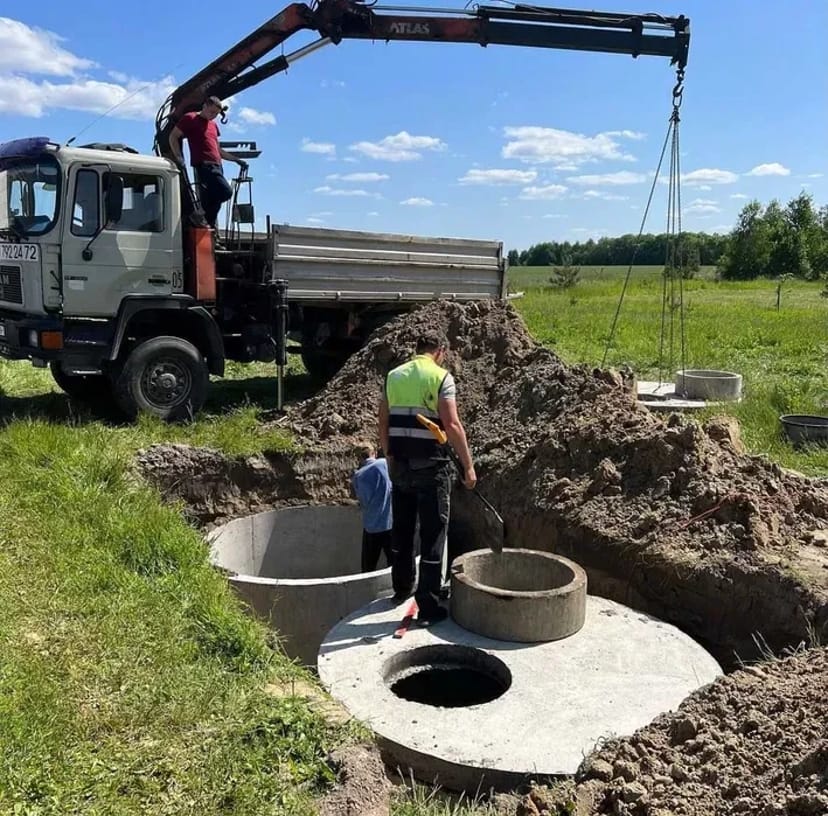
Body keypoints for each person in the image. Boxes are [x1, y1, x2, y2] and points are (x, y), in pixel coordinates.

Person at [378, 331, 477, 624]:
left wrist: (388, 453)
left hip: (400, 465)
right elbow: (452, 423)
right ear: (440, 352)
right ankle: (429, 605)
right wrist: (468, 466)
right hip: (432, 467)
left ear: (417, 350)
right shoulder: (441, 377)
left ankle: (401, 587)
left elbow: (383, 418)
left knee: (403, 530)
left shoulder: (394, 376)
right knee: (433, 533)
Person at [168, 96, 247, 233]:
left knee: (214, 201)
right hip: (204, 165)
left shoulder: (213, 125)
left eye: (216, 114)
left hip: (217, 165)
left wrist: (236, 160)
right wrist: (179, 157)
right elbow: (173, 137)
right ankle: (198, 214)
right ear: (204, 106)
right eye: (211, 112)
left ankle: (207, 230)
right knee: (226, 192)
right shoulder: (190, 118)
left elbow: (218, 150)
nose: (213, 116)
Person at [351, 443, 393, 572]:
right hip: (390, 523)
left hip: (372, 527)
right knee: (395, 561)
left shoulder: (358, 476)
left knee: (368, 566)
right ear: (374, 453)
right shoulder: (384, 464)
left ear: (359, 458)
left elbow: (363, 501)